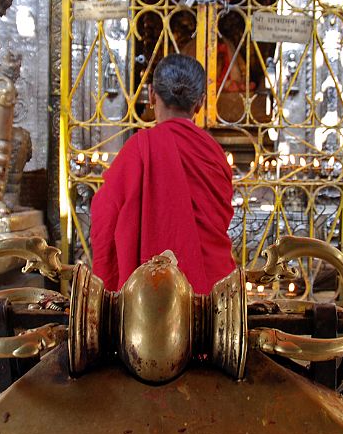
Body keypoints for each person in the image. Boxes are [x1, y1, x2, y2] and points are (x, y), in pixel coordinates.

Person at [89, 54, 235, 295]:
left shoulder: (138, 149)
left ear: (151, 95)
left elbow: (105, 216)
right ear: (199, 102)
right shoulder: (213, 153)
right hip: (213, 292)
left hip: (149, 297)